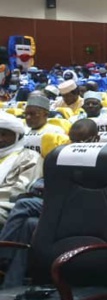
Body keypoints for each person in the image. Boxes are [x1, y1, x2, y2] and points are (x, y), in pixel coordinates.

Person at [0, 118, 98, 288]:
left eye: (83, 140)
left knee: (23, 205)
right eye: (73, 140)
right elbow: (39, 183)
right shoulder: (66, 154)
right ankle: (11, 285)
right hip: (55, 201)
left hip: (81, 206)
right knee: (29, 223)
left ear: (95, 139)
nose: (77, 144)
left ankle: (3, 254)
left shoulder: (104, 157)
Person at [0, 111, 42, 226]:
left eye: (4, 134)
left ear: (17, 136)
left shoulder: (29, 157)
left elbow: (21, 190)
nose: (0, 139)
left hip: (8, 205)